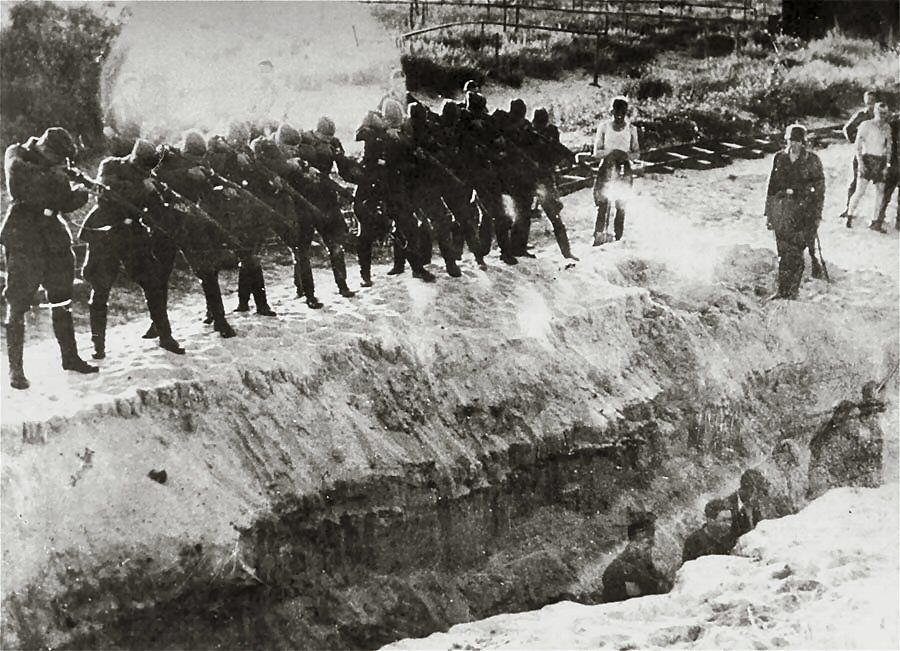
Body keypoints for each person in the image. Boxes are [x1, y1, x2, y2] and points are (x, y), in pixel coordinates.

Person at [1, 127, 98, 389]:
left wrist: (81, 193)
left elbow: (64, 202)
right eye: (58, 159)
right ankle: (16, 370)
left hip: (53, 238)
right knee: (18, 301)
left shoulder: (56, 168)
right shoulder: (17, 153)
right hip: (24, 237)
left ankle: (70, 357)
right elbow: (19, 186)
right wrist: (55, 178)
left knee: (61, 298)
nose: (62, 165)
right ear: (45, 149)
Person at [79, 139, 185, 359]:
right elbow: (106, 191)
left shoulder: (148, 177)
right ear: (134, 158)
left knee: (153, 282)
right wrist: (141, 187)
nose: (145, 172)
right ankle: (98, 346)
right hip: (105, 232)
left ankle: (165, 336)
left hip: (132, 234)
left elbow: (156, 209)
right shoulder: (111, 166)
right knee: (100, 288)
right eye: (143, 168)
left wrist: (163, 199)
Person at [763, 123, 825, 300]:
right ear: (786, 140)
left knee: (797, 252)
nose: (794, 145)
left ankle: (793, 291)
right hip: (782, 211)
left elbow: (819, 190)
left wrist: (816, 216)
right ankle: (782, 290)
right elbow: (772, 186)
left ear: (804, 143)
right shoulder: (779, 158)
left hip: (803, 212)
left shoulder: (812, 160)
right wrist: (768, 213)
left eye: (798, 141)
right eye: (791, 141)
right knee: (782, 252)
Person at [807, 381, 886, 500]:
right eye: (853, 419)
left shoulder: (853, 436)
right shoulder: (835, 440)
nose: (856, 422)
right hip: (835, 494)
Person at [531, 107, 578, 261]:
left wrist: (567, 159)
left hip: (545, 178)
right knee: (522, 217)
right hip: (530, 179)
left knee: (555, 217)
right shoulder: (527, 133)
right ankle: (517, 250)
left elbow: (556, 150)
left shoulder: (551, 132)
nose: (541, 127)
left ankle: (566, 252)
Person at [592, 96, 639, 245]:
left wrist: (626, 155)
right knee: (603, 202)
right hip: (606, 166)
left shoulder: (631, 129)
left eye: (623, 113)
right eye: (616, 112)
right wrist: (611, 153)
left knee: (621, 203)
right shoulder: (604, 127)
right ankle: (599, 237)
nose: (619, 116)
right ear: (611, 111)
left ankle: (618, 237)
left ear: (626, 113)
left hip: (623, 168)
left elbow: (636, 153)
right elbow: (596, 152)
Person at [600, 511, 671, 602]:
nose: (652, 542)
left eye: (651, 537)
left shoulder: (642, 555)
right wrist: (654, 585)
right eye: (648, 539)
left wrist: (663, 582)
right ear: (636, 537)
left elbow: (652, 572)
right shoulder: (630, 554)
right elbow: (612, 573)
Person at [845, 101, 893, 231]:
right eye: (880, 113)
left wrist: (886, 165)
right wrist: (860, 163)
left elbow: (888, 148)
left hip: (880, 161)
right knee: (860, 190)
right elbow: (858, 145)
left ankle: (875, 221)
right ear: (875, 112)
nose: (882, 116)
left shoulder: (887, 128)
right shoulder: (866, 125)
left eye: (885, 113)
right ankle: (849, 215)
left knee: (880, 192)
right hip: (867, 159)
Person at [839, 90, 877, 224]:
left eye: (872, 101)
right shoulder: (861, 115)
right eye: (867, 101)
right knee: (856, 181)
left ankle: (878, 216)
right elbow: (847, 128)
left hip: (878, 153)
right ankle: (848, 209)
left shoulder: (882, 115)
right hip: (862, 153)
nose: (870, 104)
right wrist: (855, 141)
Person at [727, 469, 778, 540]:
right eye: (760, 493)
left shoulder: (754, 505)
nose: (762, 497)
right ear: (750, 491)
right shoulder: (727, 508)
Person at [681, 498, 735, 563]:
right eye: (724, 520)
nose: (729, 524)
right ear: (711, 520)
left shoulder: (730, 537)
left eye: (730, 520)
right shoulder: (695, 542)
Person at [875, 110, 900, 231]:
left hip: (894, 163)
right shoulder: (893, 122)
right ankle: (878, 220)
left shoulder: (893, 121)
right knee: (886, 194)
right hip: (893, 164)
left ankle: (898, 222)